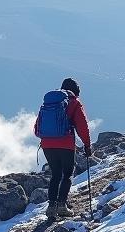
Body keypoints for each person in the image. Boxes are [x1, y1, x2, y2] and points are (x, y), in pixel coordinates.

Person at [35, 78, 92, 221]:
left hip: (47, 144)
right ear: (76, 91)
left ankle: (51, 207)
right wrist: (87, 145)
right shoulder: (74, 102)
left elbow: (37, 128)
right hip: (65, 143)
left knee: (55, 174)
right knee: (67, 174)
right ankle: (62, 205)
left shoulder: (49, 103)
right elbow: (82, 127)